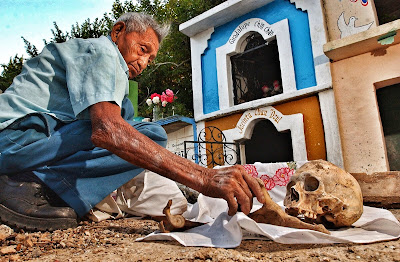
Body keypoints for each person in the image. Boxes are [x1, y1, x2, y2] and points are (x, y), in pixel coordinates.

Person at [0, 12, 264, 231]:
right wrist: (205, 177)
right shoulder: (102, 52)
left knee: (135, 125)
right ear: (118, 32)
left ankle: (41, 184)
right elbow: (108, 131)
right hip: (15, 139)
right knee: (149, 134)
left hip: (23, 142)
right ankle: (29, 186)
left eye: (151, 58)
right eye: (142, 49)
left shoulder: (108, 74)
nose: (144, 62)